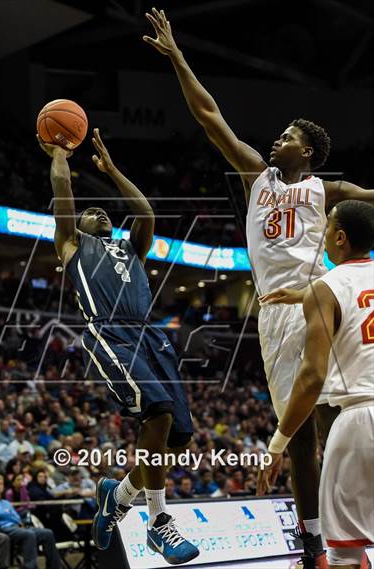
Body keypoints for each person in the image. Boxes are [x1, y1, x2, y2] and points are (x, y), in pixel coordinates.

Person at [144, 8, 374, 569]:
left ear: (310, 153)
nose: (277, 139)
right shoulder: (257, 177)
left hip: (318, 304)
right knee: (297, 437)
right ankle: (314, 542)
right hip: (272, 314)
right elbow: (208, 116)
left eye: (289, 136)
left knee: (332, 418)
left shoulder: (330, 189)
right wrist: (178, 58)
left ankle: (344, 536)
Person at [38, 128, 199, 565]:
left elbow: (145, 212)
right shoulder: (72, 244)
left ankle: (119, 494)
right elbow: (63, 188)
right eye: (90, 212)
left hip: (151, 337)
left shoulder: (132, 249)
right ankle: (158, 523)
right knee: (159, 412)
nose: (97, 212)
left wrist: (112, 171)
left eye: (101, 210)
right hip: (108, 333)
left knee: (178, 438)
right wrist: (59, 153)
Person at [257, 201, 374, 569]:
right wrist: (304, 296)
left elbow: (311, 377)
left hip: (359, 422)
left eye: (327, 229)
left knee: (345, 558)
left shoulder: (327, 287)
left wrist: (277, 445)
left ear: (340, 238)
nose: (322, 235)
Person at [0, 474, 61, 569]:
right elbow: (0, 513)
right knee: (28, 534)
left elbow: (16, 517)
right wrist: (10, 515)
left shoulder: (5, 502)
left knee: (47, 533)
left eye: (1, 484)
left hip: (16, 527)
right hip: (1, 529)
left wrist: (12, 517)